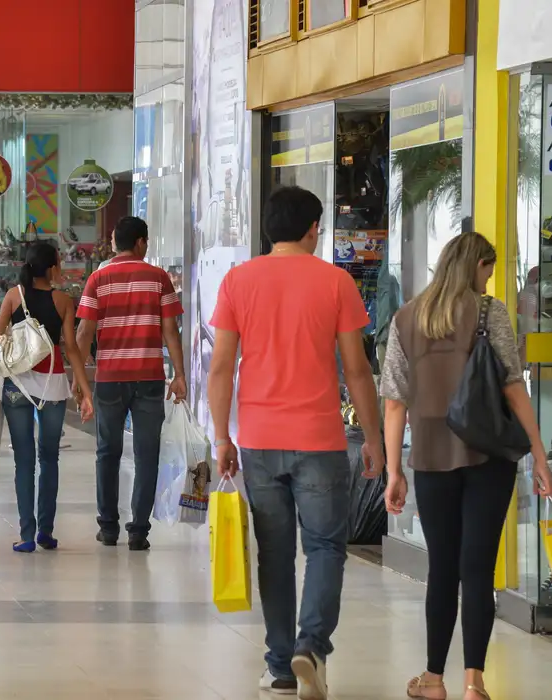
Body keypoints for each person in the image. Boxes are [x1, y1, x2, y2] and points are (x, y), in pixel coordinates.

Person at [206, 186, 384, 699]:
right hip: (321, 441)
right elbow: (357, 369)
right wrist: (372, 438)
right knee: (327, 547)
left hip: (259, 440)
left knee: (276, 554)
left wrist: (223, 436)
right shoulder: (335, 282)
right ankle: (312, 646)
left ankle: (282, 666)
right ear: (312, 228)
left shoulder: (238, 281)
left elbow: (221, 368)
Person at [380, 232, 552, 700]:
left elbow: (394, 402)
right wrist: (538, 452)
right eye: (487, 270)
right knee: (477, 569)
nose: (488, 279)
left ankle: (433, 678)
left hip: (432, 460)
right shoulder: (488, 311)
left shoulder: (406, 317)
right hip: (488, 456)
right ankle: (473, 682)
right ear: (475, 265)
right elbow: (513, 387)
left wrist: (394, 470)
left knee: (443, 568)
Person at [75, 216, 186, 552]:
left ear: (115, 242)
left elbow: (84, 333)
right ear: (140, 242)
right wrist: (179, 375)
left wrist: (80, 381)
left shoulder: (98, 279)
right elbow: (170, 331)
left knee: (107, 452)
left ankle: (108, 528)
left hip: (109, 379)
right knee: (146, 454)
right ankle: (139, 530)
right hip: (149, 377)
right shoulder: (159, 279)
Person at [0, 243, 95, 552]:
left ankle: (26, 535)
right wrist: (85, 389)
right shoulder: (63, 300)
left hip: (17, 386)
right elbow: (71, 348)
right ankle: (46, 532)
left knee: (23, 460)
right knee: (49, 458)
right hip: (52, 386)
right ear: (51, 268)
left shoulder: (14, 296)